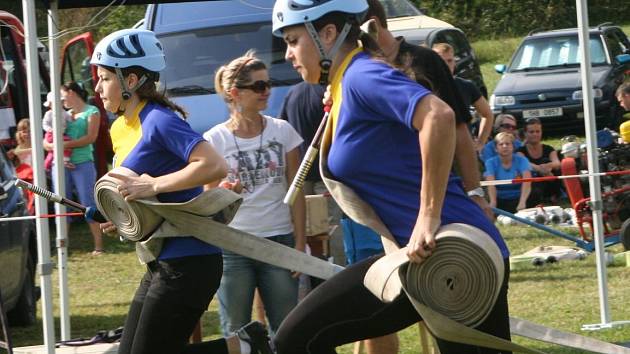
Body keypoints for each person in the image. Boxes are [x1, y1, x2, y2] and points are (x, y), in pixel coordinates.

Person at [271, 1, 511, 353]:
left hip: (456, 254)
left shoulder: (361, 76)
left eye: (293, 40)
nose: (288, 54)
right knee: (295, 339)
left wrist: (428, 216)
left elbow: (439, 116)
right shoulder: (344, 83)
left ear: (328, 34)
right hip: (417, 260)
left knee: (296, 339)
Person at [92, 29, 273, 354]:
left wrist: (153, 185)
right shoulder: (121, 127)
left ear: (131, 80)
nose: (97, 87)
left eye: (105, 78)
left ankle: (246, 346)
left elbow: (214, 166)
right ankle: (244, 346)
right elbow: (137, 193)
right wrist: (116, 214)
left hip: (190, 263)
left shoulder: (160, 121)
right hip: (162, 261)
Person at [204, 50, 306, 337]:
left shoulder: (283, 131)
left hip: (279, 242)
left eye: (268, 84)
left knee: (287, 328)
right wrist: (226, 194)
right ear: (235, 93)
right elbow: (209, 202)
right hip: (234, 245)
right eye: (259, 86)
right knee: (235, 330)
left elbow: (296, 192)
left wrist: (300, 243)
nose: (267, 92)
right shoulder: (215, 139)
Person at [42, 81, 104, 255]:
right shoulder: (62, 114)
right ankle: (62, 246)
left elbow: (91, 138)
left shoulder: (92, 112)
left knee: (87, 202)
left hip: (83, 162)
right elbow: (46, 141)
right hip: (60, 164)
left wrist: (60, 145)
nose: (61, 100)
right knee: (60, 202)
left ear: (71, 93)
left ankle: (98, 245)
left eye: (62, 95)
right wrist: (52, 145)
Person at [432, 42, 494, 152]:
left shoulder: (466, 86)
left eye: (450, 60)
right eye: (442, 61)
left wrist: (480, 142)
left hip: (464, 149)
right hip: (436, 150)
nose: (446, 65)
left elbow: (487, 114)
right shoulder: (425, 87)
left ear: (454, 63)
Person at [516, 117, 562, 206]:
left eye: (538, 131)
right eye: (531, 132)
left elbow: (557, 163)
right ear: (525, 133)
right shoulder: (520, 151)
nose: (535, 134)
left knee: (547, 162)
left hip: (549, 181)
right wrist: (539, 169)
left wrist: (548, 166)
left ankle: (553, 196)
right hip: (532, 184)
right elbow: (523, 163)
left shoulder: (549, 149)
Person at [484, 132, 532, 213]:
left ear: (513, 147)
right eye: (501, 144)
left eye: (507, 144)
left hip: (519, 196)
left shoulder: (522, 160)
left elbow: (527, 181)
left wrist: (522, 201)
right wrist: (493, 202)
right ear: (496, 148)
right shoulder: (490, 162)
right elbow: (490, 184)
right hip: (500, 198)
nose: (504, 146)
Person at [42, 91, 73, 171]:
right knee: (63, 144)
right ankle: (64, 160)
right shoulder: (49, 114)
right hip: (51, 134)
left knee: (56, 150)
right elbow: (45, 124)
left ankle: (63, 160)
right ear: (50, 105)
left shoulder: (64, 113)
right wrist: (50, 129)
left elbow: (69, 119)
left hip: (61, 134)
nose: (59, 105)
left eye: (61, 103)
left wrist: (72, 118)